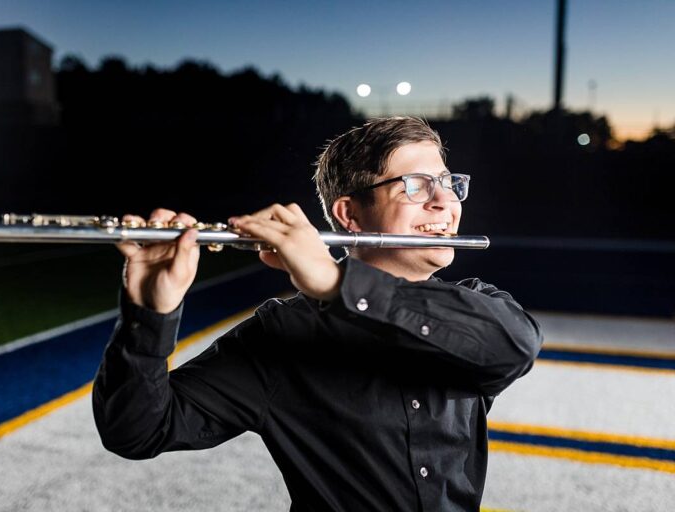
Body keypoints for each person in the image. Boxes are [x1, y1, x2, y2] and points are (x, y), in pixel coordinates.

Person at [92, 116, 543, 511]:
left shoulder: (477, 307)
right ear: (349, 213)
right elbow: (138, 431)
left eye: (448, 183)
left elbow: (516, 346)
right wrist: (150, 311)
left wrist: (337, 284)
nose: (445, 202)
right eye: (416, 186)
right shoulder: (282, 335)